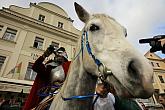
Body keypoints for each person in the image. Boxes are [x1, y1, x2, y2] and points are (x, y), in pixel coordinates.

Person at [23, 45, 71, 110]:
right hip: (50, 94)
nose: (57, 56)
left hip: (66, 93)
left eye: (59, 55)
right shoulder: (49, 66)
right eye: (56, 55)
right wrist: (45, 55)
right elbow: (36, 67)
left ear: (64, 57)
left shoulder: (69, 67)